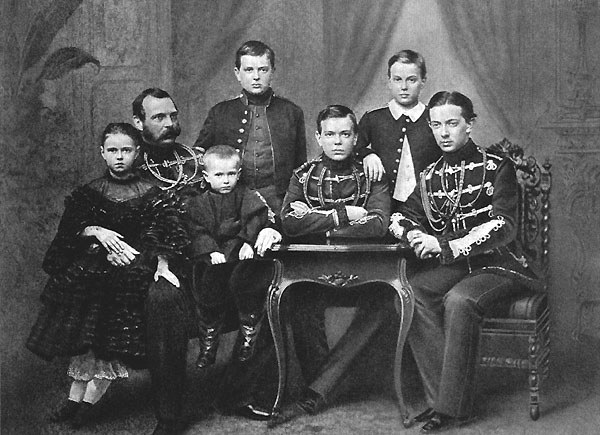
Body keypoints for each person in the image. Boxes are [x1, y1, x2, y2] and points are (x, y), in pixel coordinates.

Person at [388, 91, 541, 432]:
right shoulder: (429, 176)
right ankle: (440, 400)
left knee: (459, 300)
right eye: (436, 125)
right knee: (411, 294)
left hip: (500, 263)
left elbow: (503, 226)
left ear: (469, 125)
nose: (444, 133)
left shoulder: (497, 167)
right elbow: (400, 217)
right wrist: (415, 235)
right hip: (457, 265)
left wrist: (441, 244)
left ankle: (453, 408)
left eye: (452, 123)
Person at [193, 40, 327, 420]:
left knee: (275, 292)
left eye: (263, 69)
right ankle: (234, 390)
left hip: (278, 220)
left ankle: (266, 389)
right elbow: (198, 167)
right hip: (229, 225)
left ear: (273, 71)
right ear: (237, 73)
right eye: (249, 70)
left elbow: (301, 173)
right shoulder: (220, 113)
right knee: (245, 288)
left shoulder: (291, 113)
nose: (256, 76)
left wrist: (284, 220)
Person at [26, 123, 187, 430]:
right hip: (90, 278)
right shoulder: (88, 194)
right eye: (112, 150)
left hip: (131, 276)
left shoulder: (152, 194)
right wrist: (96, 232)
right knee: (87, 340)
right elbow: (66, 239)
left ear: (137, 153)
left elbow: (165, 234)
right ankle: (74, 400)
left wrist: (143, 258)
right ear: (102, 153)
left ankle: (88, 404)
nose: (119, 157)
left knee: (108, 343)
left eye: (126, 150)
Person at [270, 105, 394, 427]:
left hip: (365, 271)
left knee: (384, 303)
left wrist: (315, 221)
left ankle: (320, 388)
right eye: (330, 134)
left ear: (355, 138)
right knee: (301, 302)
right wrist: (343, 216)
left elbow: (378, 224)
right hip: (315, 271)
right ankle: (327, 385)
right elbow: (288, 222)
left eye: (345, 134)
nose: (337, 141)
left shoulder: (372, 174)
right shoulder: (303, 176)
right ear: (318, 137)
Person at [130, 88, 202, 435]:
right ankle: (170, 415)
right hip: (152, 261)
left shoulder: (193, 160)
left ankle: (241, 392)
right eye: (159, 117)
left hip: (200, 253)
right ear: (138, 122)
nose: (170, 124)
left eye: (173, 116)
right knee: (163, 299)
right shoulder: (129, 163)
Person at [184, 145, 270, 368]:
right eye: (219, 175)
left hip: (239, 250)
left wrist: (248, 242)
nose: (225, 180)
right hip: (214, 254)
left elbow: (256, 218)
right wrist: (210, 250)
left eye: (231, 174)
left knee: (247, 277)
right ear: (206, 176)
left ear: (238, 174)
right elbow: (196, 230)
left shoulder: (245, 196)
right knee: (207, 281)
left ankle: (249, 336)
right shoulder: (198, 203)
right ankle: (209, 341)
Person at [356, 49, 441, 206]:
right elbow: (353, 148)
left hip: (428, 204)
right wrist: (368, 154)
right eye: (397, 80)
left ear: (423, 81)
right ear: (389, 82)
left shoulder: (434, 118)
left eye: (411, 80)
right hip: (385, 203)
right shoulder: (373, 118)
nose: (403, 87)